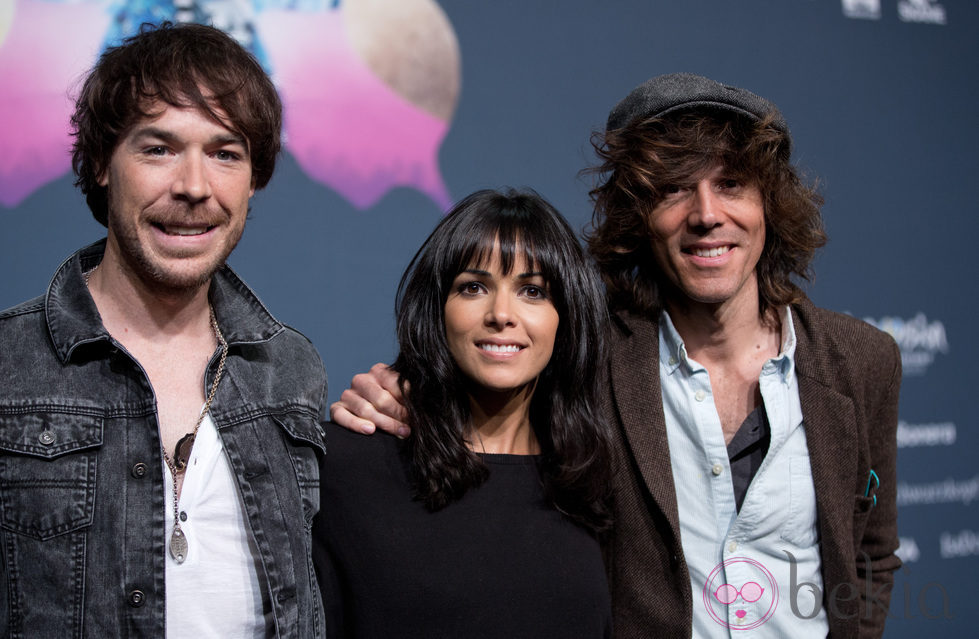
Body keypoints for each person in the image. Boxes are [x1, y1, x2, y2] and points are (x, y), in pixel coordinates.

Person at [331, 74, 901, 638]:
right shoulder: (590, 352)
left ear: (769, 205)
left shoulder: (862, 362)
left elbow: (871, 551)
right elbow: (484, 353)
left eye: (731, 185)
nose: (705, 214)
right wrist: (394, 389)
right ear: (637, 216)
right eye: (674, 189)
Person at [0, 23, 326, 638]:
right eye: (158, 149)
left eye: (225, 153)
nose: (194, 187)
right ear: (102, 163)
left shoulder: (292, 368)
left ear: (254, 177)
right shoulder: (9, 362)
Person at [313, 189, 613, 638]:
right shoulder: (344, 466)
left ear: (566, 318)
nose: (501, 315)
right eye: (473, 287)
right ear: (438, 309)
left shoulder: (595, 483)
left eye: (533, 291)